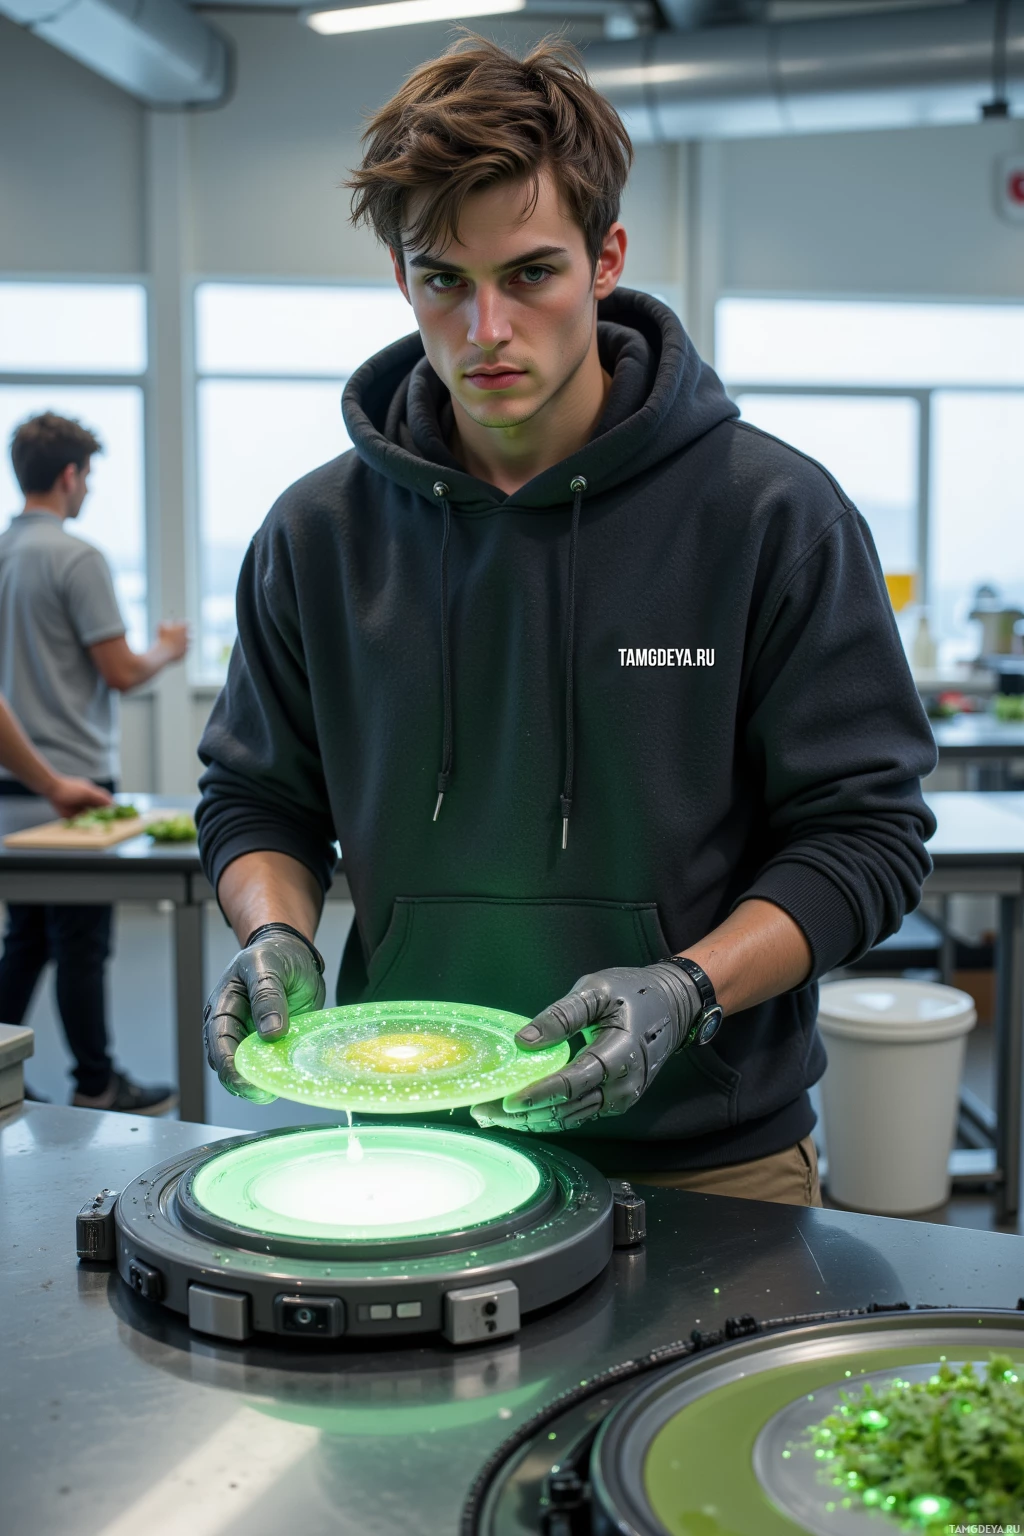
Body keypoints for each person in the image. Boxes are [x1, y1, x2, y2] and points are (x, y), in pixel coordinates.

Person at [197, 37, 936, 1204]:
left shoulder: (769, 517)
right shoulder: (316, 536)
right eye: (444, 279)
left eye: (531, 274)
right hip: (407, 1146)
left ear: (606, 260)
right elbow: (257, 800)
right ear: (403, 280)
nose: (485, 328)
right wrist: (272, 933)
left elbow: (865, 839)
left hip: (708, 1163)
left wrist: (685, 989)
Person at [0, 411, 189, 1114]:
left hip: (11, 782)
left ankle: (13, 1069)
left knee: (26, 938)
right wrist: (169, 649)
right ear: (71, 474)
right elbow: (119, 671)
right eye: (89, 477)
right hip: (73, 780)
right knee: (81, 939)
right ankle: (97, 1082)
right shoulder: (76, 558)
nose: (88, 491)